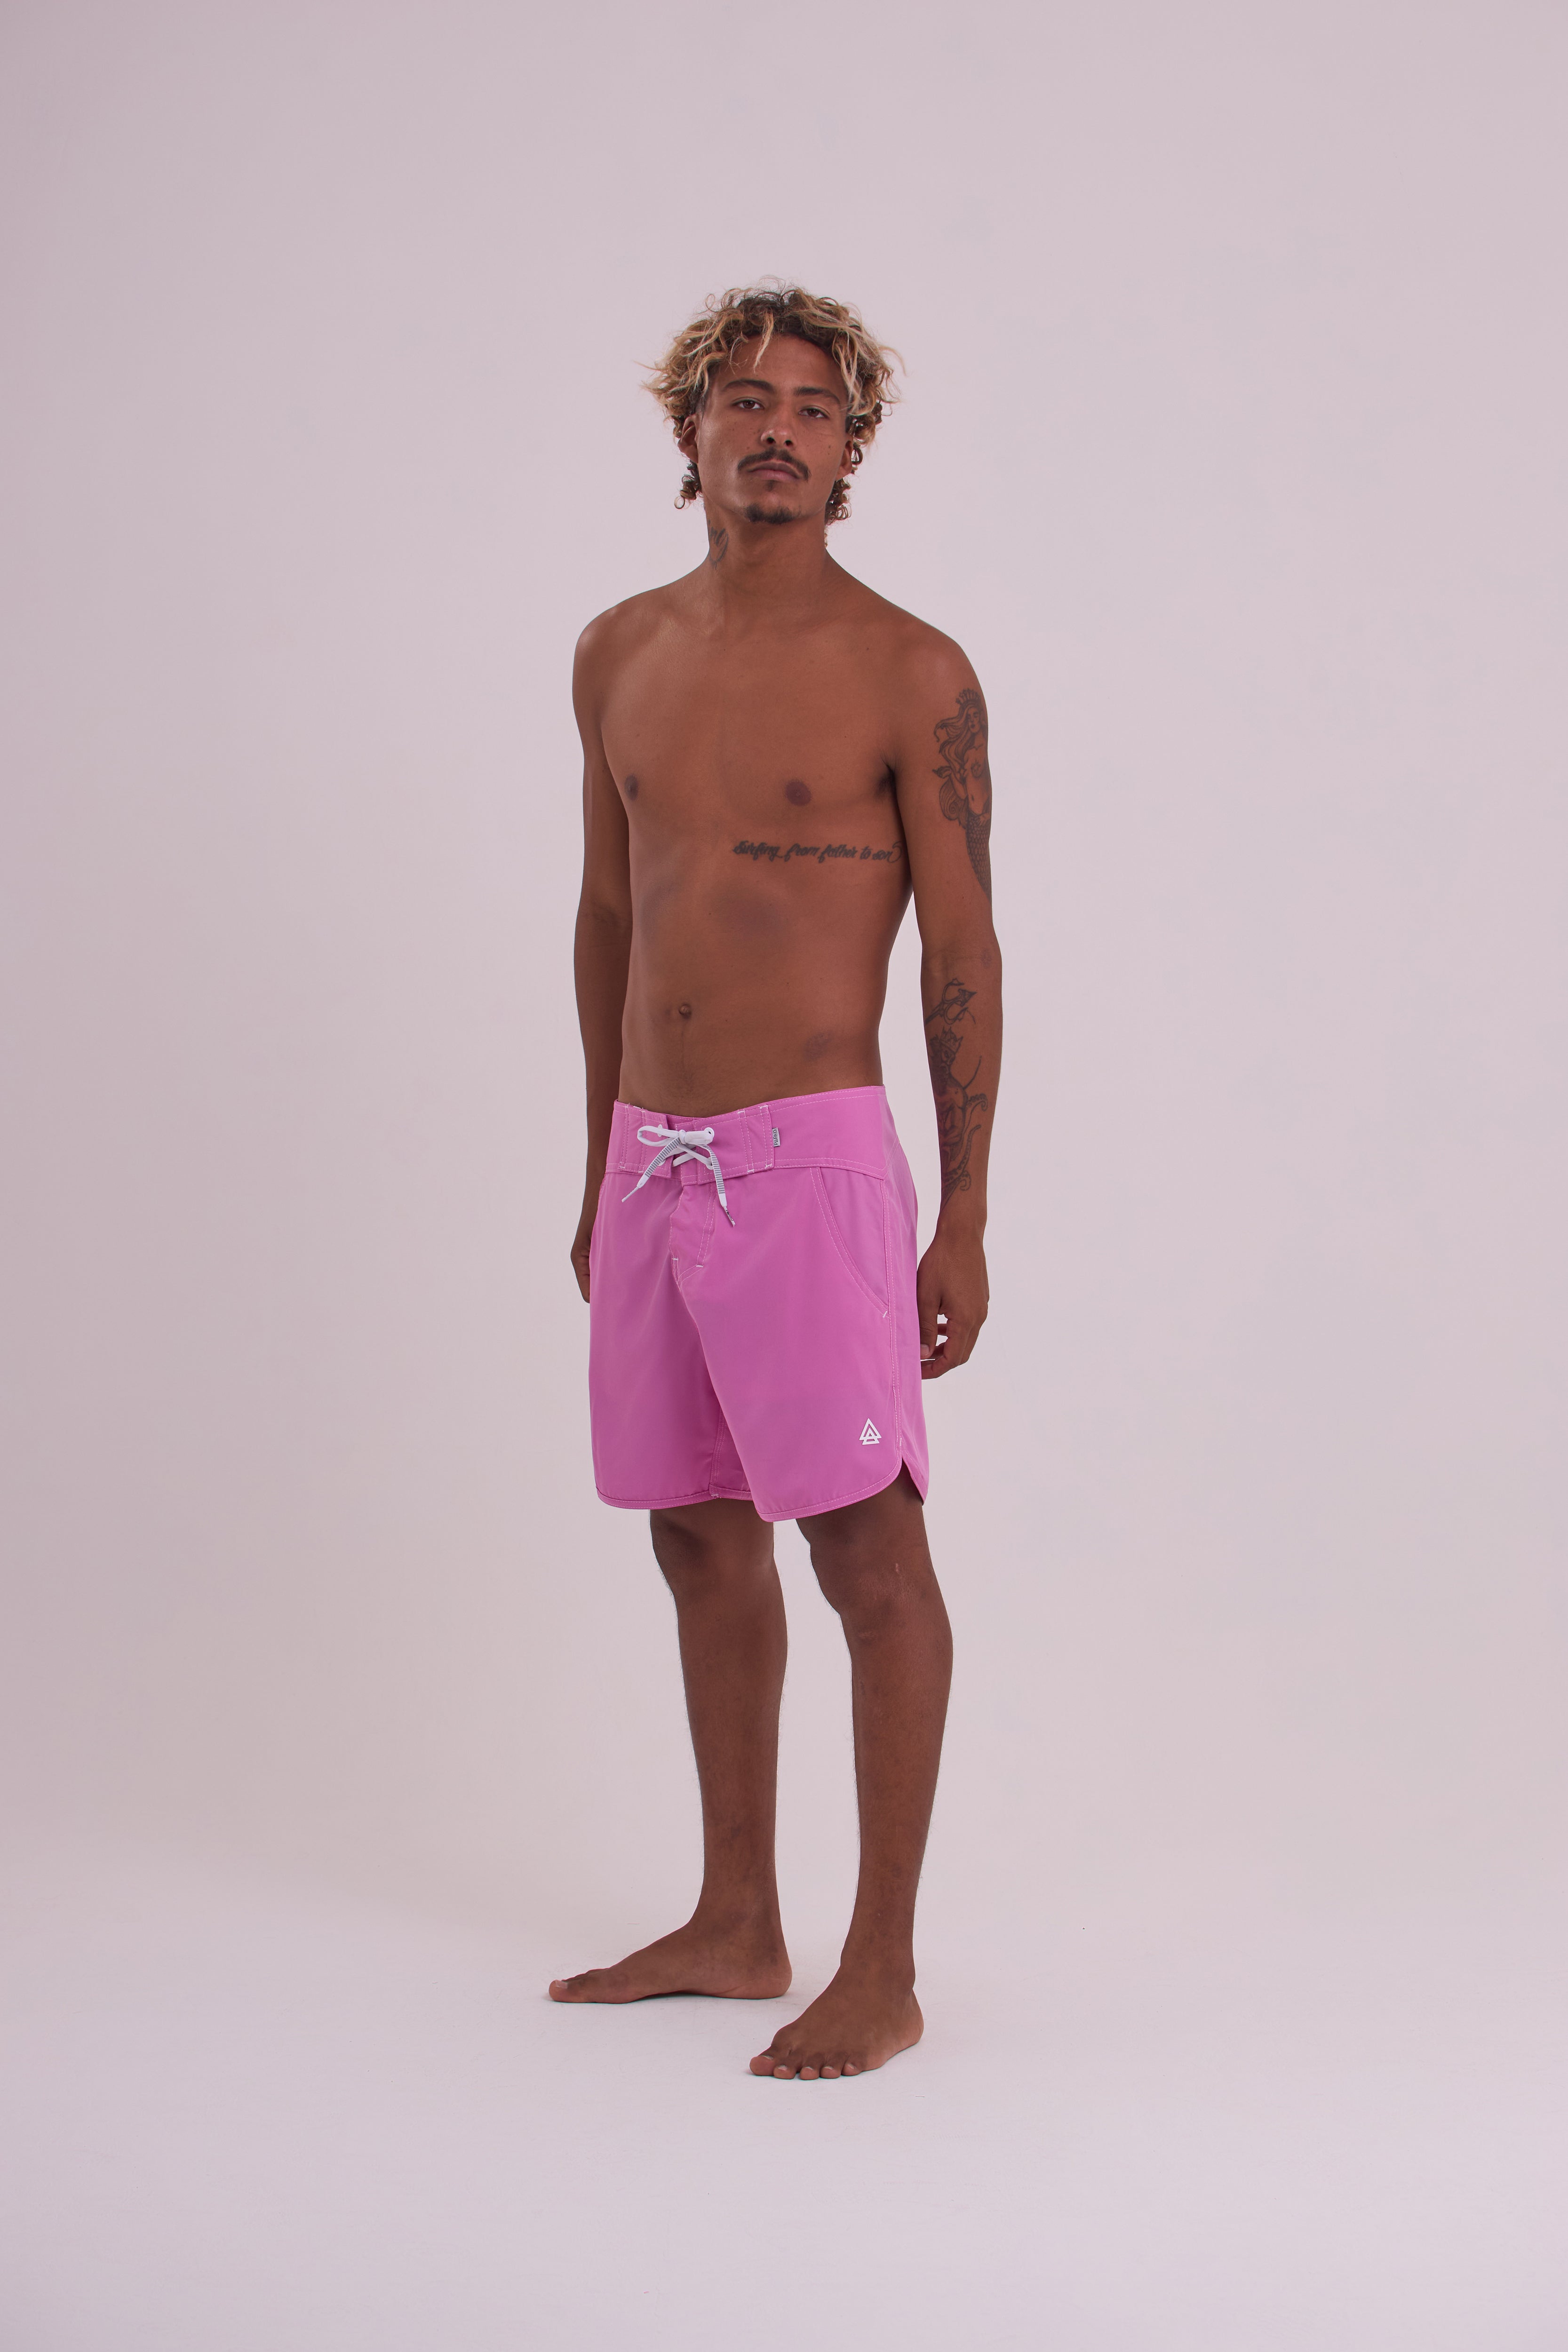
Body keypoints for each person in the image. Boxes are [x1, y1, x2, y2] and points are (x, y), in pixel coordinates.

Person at [550, 284, 1001, 2081]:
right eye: (746, 401)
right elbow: (608, 912)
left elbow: (963, 950)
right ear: (692, 432)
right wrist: (594, 1158)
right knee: (694, 1529)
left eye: (815, 408)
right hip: (651, 1157)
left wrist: (965, 1211)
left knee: (867, 1550)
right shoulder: (617, 651)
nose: (779, 430)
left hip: (812, 1159)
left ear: (852, 447)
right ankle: (738, 1920)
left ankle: (882, 1966)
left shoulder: (912, 669)